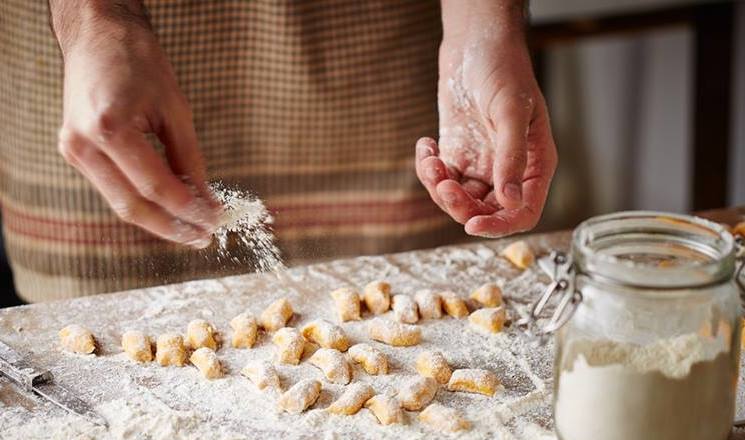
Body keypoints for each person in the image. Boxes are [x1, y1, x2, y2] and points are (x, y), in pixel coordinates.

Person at [0, 0, 556, 302]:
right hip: (100, 57)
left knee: (404, 296)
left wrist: (481, 24)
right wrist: (95, 20)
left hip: (361, 43)